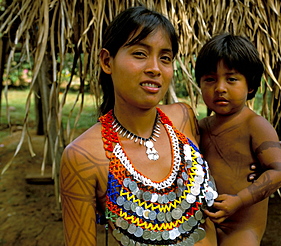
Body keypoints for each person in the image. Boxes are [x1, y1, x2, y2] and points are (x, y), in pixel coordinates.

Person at [60, 6, 218, 246]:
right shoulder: (83, 156)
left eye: (165, 58)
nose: (155, 68)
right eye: (140, 54)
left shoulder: (183, 117)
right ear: (106, 61)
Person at [195, 33, 281, 246]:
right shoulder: (200, 128)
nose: (220, 88)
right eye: (210, 79)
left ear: (251, 86)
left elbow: (279, 172)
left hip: (242, 227)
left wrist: (239, 200)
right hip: (205, 221)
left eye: (232, 79)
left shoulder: (255, 126)